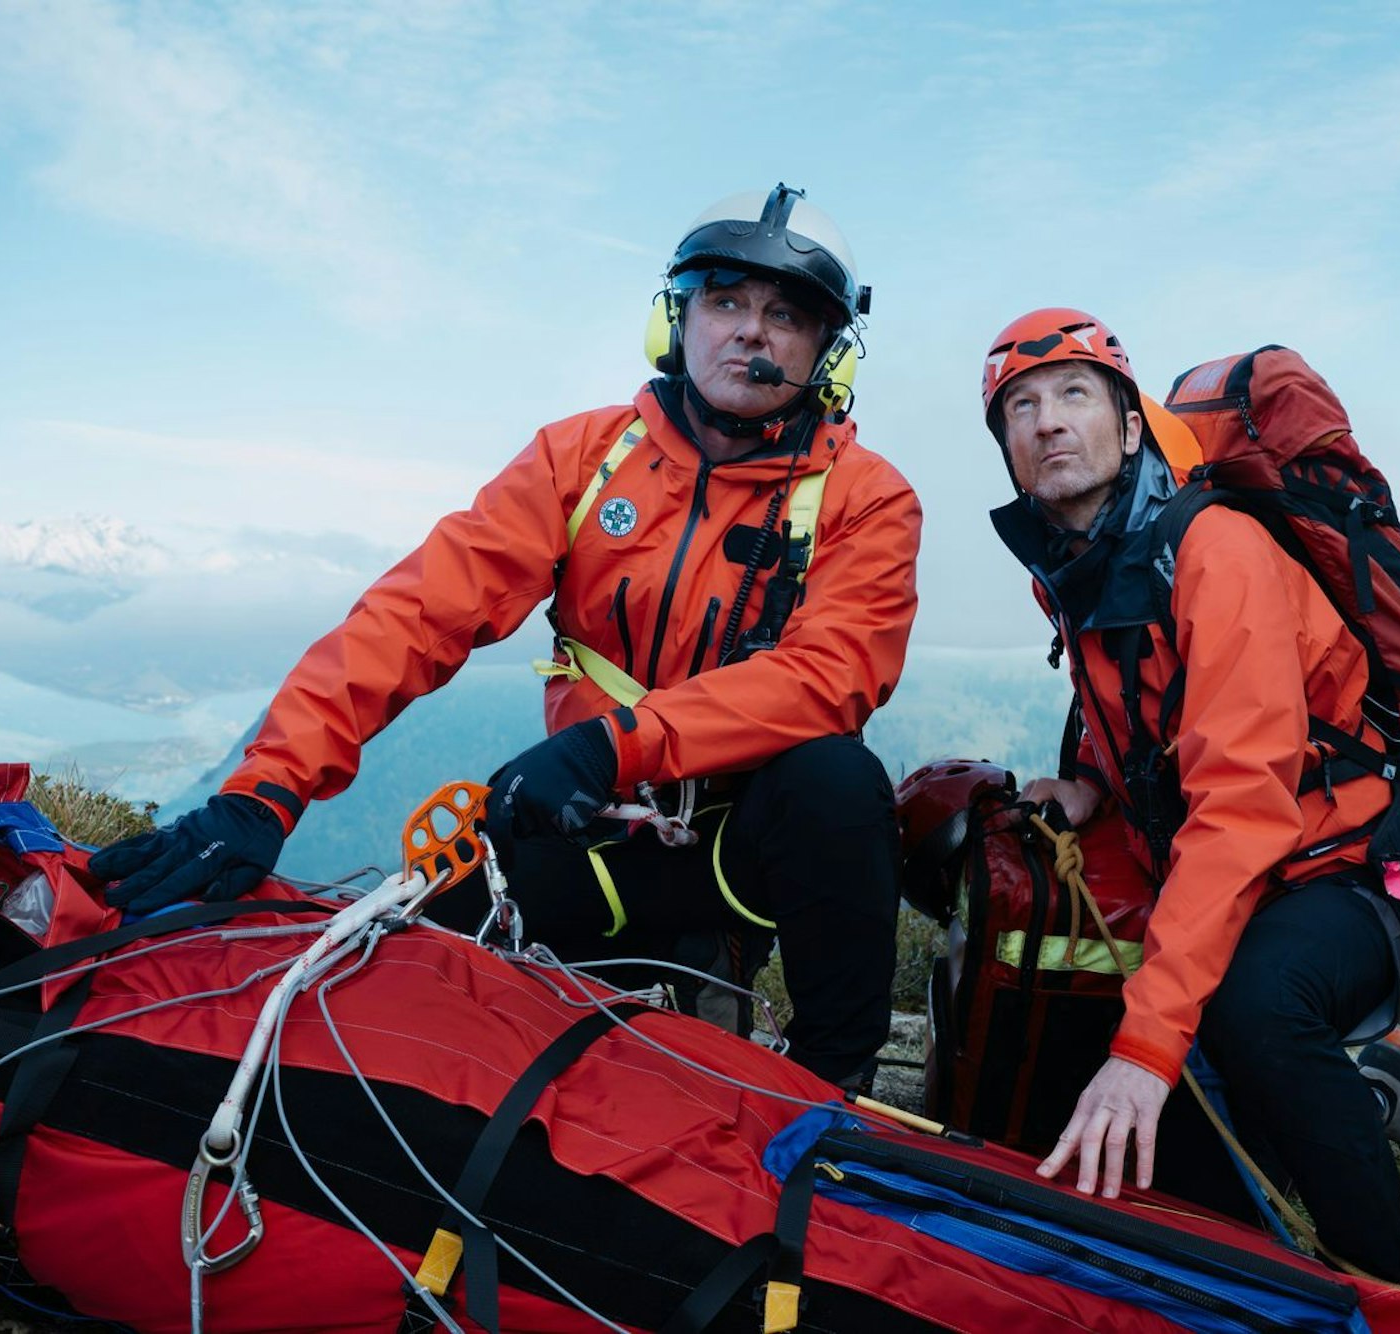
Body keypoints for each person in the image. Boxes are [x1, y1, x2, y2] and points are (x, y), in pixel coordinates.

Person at [88, 185, 921, 1089]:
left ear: (825, 351)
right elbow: (418, 612)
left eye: (784, 315)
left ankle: (835, 1088)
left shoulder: (866, 497)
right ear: (677, 321)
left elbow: (831, 675)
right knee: (391, 982)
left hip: (734, 853)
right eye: (724, 301)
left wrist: (614, 746)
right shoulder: (582, 457)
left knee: (837, 780)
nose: (749, 333)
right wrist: (266, 788)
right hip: (584, 821)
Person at [979, 308, 1400, 1283]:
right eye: (1017, 407)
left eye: (1073, 394)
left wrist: (1146, 1047)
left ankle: (1390, 1286)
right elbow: (1152, 717)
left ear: (1132, 425)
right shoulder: (1073, 571)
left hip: (1343, 867)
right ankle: (1347, 1105)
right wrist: (1092, 784)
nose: (1046, 421)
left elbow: (1242, 799)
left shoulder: (1212, 546)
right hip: (1242, 874)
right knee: (1134, 1006)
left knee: (1249, 1007)